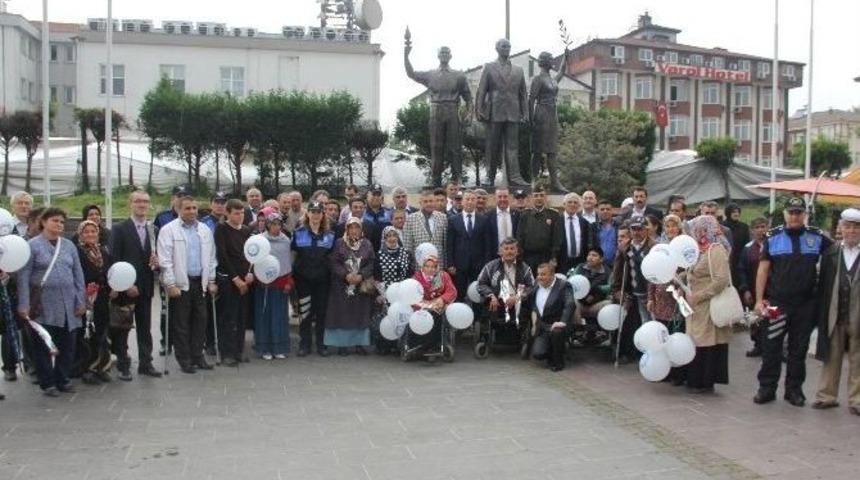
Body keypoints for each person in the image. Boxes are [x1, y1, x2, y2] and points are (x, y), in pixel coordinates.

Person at [753, 197, 831, 406]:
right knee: (771, 348)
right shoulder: (773, 237)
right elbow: (763, 270)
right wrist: (759, 300)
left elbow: (837, 256)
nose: (795, 216)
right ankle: (766, 389)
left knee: (798, 350)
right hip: (778, 304)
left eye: (799, 212)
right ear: (785, 214)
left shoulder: (817, 237)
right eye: (791, 212)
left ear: (805, 214)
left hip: (805, 305)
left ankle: (794, 391)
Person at [17, 208, 86, 397]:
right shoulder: (32, 246)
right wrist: (24, 305)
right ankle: (47, 382)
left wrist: (81, 301)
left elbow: (78, 275)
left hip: (68, 304)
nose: (59, 225)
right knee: (44, 345)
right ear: (44, 222)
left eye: (62, 222)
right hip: (43, 305)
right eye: (55, 221)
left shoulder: (69, 246)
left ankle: (63, 378)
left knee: (68, 344)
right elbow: (23, 278)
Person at [157, 196, 218, 375]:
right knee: (181, 323)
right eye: (187, 208)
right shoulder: (168, 230)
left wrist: (212, 280)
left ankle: (197, 355)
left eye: (194, 208)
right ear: (178, 209)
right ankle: (184, 359)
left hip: (200, 282)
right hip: (180, 283)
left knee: (201, 321)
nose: (192, 211)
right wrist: (170, 283)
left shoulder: (205, 229)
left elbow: (211, 257)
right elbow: (165, 258)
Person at [404, 39, 472, 186]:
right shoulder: (430, 74)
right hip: (435, 111)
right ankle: (436, 179)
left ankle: (457, 178)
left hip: (453, 110)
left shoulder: (459, 75)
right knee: (436, 146)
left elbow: (468, 97)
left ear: (451, 56)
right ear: (438, 55)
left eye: (447, 52)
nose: (444, 54)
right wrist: (406, 55)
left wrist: (469, 113)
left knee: (455, 147)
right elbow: (411, 73)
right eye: (442, 52)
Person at [109, 190, 161, 380]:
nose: (142, 204)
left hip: (146, 287)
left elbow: (153, 259)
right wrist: (125, 284)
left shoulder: (152, 229)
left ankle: (146, 363)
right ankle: (123, 365)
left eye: (146, 201)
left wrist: (157, 264)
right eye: (138, 201)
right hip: (125, 288)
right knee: (123, 328)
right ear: (130, 203)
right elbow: (115, 258)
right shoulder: (120, 228)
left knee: (145, 327)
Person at [812, 208, 860, 415]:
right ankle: (826, 396)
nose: (851, 231)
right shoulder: (831, 252)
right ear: (840, 228)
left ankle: (857, 400)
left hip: (858, 313)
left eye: (856, 227)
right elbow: (822, 286)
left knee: (859, 358)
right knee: (831, 355)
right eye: (847, 226)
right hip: (834, 312)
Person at [680, 215, 733, 393]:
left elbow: (721, 279)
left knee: (707, 341)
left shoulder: (716, 249)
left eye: (697, 228)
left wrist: (701, 295)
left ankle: (704, 380)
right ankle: (695, 378)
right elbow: (692, 271)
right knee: (696, 340)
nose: (694, 231)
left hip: (708, 303)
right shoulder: (699, 249)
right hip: (694, 304)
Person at [476, 38, 529, 188]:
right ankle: (489, 177)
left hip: (513, 112)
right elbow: (481, 90)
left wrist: (525, 113)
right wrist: (479, 109)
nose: (507, 48)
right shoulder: (489, 67)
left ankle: (516, 178)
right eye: (504, 46)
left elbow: (523, 94)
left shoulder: (519, 70)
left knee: (513, 146)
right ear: (497, 48)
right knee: (492, 146)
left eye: (509, 46)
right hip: (495, 111)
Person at [75, 219, 118, 385]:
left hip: (102, 298)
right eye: (86, 232)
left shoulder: (104, 252)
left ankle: (102, 367)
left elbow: (111, 272)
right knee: (88, 335)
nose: (90, 235)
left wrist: (113, 287)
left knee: (103, 333)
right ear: (80, 234)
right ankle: (87, 369)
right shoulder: (78, 252)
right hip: (86, 299)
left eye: (93, 232)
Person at [325, 218, 375, 356]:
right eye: (351, 227)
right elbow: (334, 262)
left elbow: (371, 263)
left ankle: (359, 344)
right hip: (341, 286)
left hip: (360, 286)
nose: (354, 230)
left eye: (357, 227)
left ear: (361, 229)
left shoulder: (366, 244)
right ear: (346, 229)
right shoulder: (339, 243)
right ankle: (343, 345)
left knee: (360, 315)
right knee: (342, 315)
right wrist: (345, 275)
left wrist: (361, 276)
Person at [292, 201, 336, 357]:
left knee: (321, 313)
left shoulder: (330, 234)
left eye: (319, 212)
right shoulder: (298, 232)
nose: (316, 215)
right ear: (308, 213)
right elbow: (293, 254)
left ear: (323, 214)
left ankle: (321, 345)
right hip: (303, 280)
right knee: (305, 313)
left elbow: (332, 257)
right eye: (313, 211)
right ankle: (304, 344)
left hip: (322, 281)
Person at [214, 199, 254, 365]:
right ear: (227, 213)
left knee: (241, 317)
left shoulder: (246, 230)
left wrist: (250, 273)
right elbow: (223, 256)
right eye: (236, 213)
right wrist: (236, 278)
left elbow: (252, 253)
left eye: (242, 213)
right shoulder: (221, 229)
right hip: (229, 280)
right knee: (228, 317)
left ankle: (238, 350)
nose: (240, 216)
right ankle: (227, 353)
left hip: (245, 279)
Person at [610, 217, 656, 363]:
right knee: (632, 324)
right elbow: (617, 274)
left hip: (649, 294)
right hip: (631, 292)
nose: (637, 232)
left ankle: (651, 355)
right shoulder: (625, 248)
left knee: (649, 324)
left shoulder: (654, 247)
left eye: (640, 229)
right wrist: (618, 292)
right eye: (633, 229)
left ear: (646, 230)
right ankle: (631, 353)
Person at [476, 238, 536, 348]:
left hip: (517, 302)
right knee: (489, 307)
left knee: (525, 309)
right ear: (500, 251)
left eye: (512, 248)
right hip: (497, 301)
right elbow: (481, 284)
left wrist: (518, 297)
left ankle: (521, 338)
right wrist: (491, 295)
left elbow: (532, 287)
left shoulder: (525, 268)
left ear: (517, 251)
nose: (509, 251)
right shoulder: (490, 266)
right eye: (506, 249)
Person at [648, 215, 686, 384]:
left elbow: (689, 272)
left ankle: (679, 372)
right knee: (662, 334)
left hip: (677, 297)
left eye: (674, 226)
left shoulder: (684, 247)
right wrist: (650, 297)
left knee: (676, 333)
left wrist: (678, 279)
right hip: (660, 297)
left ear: (679, 228)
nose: (670, 229)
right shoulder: (659, 247)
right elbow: (651, 273)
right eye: (667, 226)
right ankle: (665, 369)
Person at [253, 212, 294, 361]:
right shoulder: (260, 240)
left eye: (279, 224)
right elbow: (255, 261)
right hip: (264, 283)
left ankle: (279, 348)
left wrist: (288, 281)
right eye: (273, 224)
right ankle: (264, 348)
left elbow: (288, 261)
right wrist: (260, 277)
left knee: (279, 316)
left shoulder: (286, 241)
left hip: (281, 283)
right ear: (268, 225)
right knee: (264, 315)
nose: (277, 227)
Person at [528, 51, 568, 192]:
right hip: (541, 114)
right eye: (551, 59)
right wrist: (531, 119)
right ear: (545, 62)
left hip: (552, 115)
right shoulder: (538, 79)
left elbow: (562, 72)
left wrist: (565, 56)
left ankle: (555, 182)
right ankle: (533, 179)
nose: (553, 62)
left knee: (552, 151)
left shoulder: (552, 80)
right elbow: (531, 99)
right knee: (537, 150)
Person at [524, 263, 574, 371]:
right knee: (538, 354)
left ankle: (558, 362)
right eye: (538, 274)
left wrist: (563, 321)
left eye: (543, 274)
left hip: (557, 324)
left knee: (557, 331)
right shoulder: (536, 285)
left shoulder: (564, 285)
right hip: (542, 326)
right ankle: (552, 348)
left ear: (552, 275)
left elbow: (570, 304)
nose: (539, 277)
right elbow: (529, 300)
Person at [446, 190, 490, 302]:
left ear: (476, 202)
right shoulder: (453, 220)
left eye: (472, 199)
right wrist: (450, 263)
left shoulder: (484, 220)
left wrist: (486, 264)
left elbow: (487, 244)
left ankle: (478, 318)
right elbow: (449, 243)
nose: (470, 202)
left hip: (478, 264)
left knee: (478, 292)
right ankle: (460, 316)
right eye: (467, 199)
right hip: (459, 265)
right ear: (463, 201)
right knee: (459, 293)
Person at [410, 253, 457, 356]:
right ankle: (423, 345)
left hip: (439, 305)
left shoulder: (443, 276)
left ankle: (434, 344)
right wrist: (428, 305)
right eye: (427, 266)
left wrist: (442, 299)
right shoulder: (416, 277)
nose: (430, 269)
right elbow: (413, 295)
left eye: (433, 267)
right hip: (421, 306)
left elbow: (451, 290)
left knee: (438, 316)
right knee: (428, 315)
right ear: (423, 267)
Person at [737, 217, 769, 358]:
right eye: (757, 227)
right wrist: (745, 289)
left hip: (771, 290)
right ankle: (758, 345)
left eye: (763, 226)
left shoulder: (773, 246)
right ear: (752, 230)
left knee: (771, 318)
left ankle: (772, 347)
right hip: (753, 290)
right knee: (754, 319)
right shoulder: (748, 248)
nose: (761, 230)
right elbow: (741, 269)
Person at [516, 185, 560, 274]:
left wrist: (553, 257)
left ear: (545, 197)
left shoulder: (553, 215)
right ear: (531, 198)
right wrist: (519, 258)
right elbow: (519, 237)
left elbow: (556, 239)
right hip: (528, 258)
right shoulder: (525, 215)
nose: (539, 198)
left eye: (541, 195)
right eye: (536, 195)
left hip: (546, 258)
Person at [403, 189, 449, 268]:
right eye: (425, 201)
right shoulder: (411, 219)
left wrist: (446, 265)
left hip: (438, 266)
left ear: (434, 202)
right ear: (420, 203)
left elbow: (445, 244)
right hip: (418, 267)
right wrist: (410, 266)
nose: (429, 204)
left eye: (431, 201)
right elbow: (407, 247)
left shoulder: (443, 218)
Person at [571, 247, 611, 327]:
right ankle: (578, 329)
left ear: (601, 259)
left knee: (610, 303)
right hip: (580, 304)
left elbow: (610, 287)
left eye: (594, 255)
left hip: (596, 304)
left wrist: (596, 289)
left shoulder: (607, 271)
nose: (590, 257)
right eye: (589, 255)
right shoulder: (580, 267)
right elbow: (572, 282)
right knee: (571, 300)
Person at [557, 192, 595, 273]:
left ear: (579, 205)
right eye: (569, 202)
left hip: (580, 262)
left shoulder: (584, 222)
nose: (572, 205)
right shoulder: (557, 221)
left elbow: (586, 242)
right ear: (564, 204)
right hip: (561, 262)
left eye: (575, 202)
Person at [724, 202, 750, 285]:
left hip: (740, 259)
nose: (736, 214)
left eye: (737, 211)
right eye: (733, 212)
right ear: (728, 213)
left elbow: (747, 243)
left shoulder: (744, 227)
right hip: (726, 259)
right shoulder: (722, 226)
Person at [362, 184, 392, 253]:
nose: (376, 197)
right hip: (365, 254)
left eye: (378, 195)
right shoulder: (361, 213)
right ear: (367, 196)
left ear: (382, 197)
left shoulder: (389, 214)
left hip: (384, 253)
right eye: (373, 194)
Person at [596, 200, 618, 268]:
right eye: (602, 209)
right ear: (598, 211)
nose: (605, 211)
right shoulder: (593, 227)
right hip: (598, 264)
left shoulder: (619, 226)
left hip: (615, 264)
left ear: (612, 211)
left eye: (608, 209)